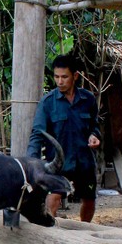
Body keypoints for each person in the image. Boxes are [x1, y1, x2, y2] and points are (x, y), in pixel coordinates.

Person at [28, 54, 101, 222]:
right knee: (53, 198)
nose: (60, 81)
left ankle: (85, 232)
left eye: (64, 77)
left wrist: (94, 136)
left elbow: (94, 126)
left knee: (89, 201)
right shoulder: (47, 103)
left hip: (84, 162)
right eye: (56, 77)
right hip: (58, 163)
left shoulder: (88, 100)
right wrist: (31, 162)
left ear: (75, 76)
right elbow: (37, 135)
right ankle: (48, 233)